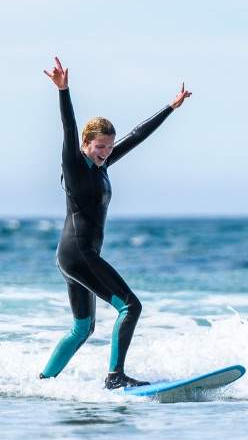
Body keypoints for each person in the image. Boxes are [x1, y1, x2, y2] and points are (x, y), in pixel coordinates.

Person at [39, 57, 192, 389]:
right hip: (79, 254)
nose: (106, 152)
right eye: (100, 147)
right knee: (131, 307)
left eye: (109, 147)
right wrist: (63, 91)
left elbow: (137, 136)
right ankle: (115, 376)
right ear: (85, 144)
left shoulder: (101, 166)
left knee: (82, 328)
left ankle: (43, 381)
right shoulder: (76, 164)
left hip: (70, 255)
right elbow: (68, 127)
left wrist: (171, 107)